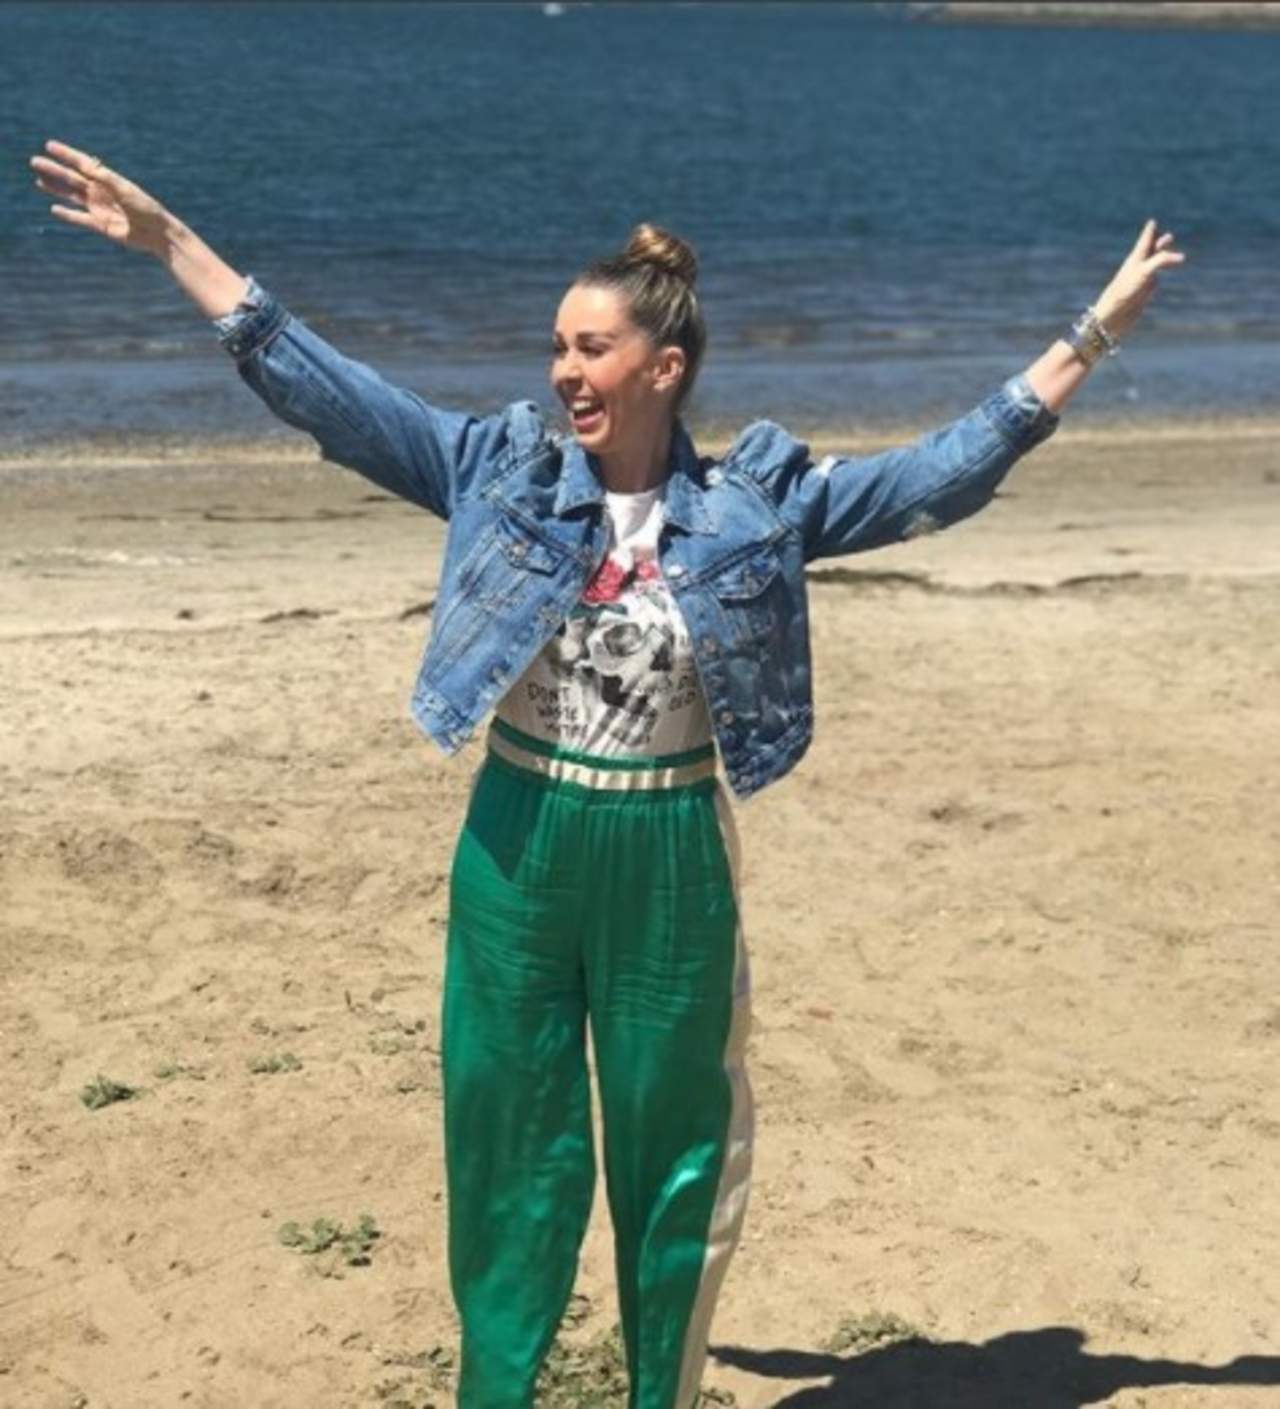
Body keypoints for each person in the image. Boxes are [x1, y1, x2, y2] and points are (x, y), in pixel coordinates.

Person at [29, 138, 1184, 1409]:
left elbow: (938, 473)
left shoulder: (756, 505)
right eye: (557, 348)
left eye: (589, 349)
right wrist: (172, 243)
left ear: (662, 366)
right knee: (504, 1141)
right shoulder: (496, 471)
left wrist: (1090, 334)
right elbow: (328, 392)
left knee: (673, 1151)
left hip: (669, 849)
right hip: (515, 840)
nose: (562, 371)